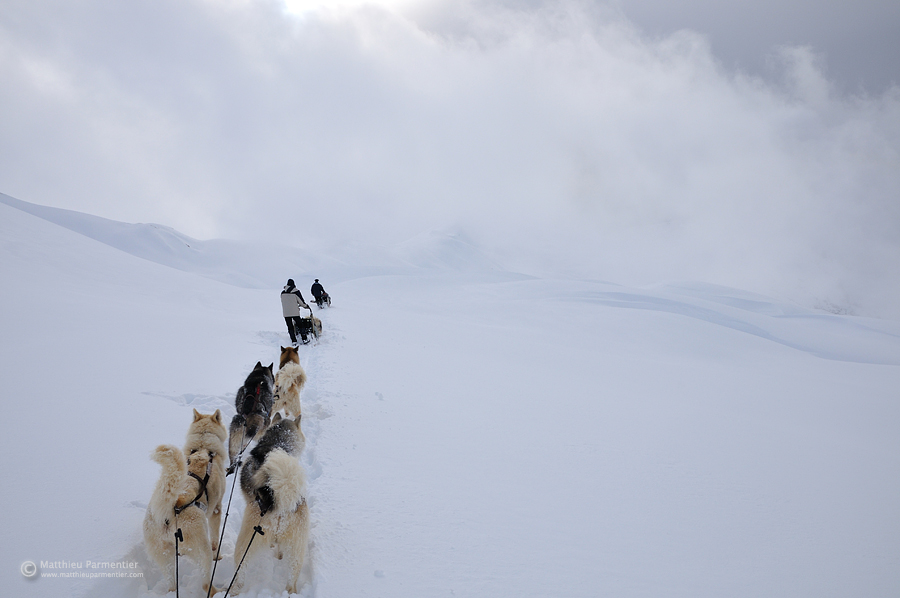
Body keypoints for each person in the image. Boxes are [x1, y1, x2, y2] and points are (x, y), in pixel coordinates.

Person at [281, 279, 310, 344]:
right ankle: (304, 339)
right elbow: (301, 302)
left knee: (290, 326)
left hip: (286, 313)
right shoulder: (296, 292)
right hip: (295, 312)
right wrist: (306, 306)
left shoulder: (282, 293)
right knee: (300, 325)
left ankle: (294, 340)